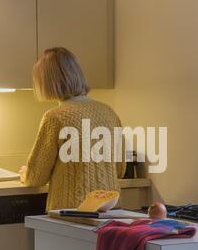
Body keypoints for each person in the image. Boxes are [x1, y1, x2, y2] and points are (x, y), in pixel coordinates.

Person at [20, 47, 126, 211]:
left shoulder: (55, 117)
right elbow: (120, 169)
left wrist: (25, 173)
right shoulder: (108, 112)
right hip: (109, 210)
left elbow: (36, 177)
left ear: (48, 82)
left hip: (71, 211)